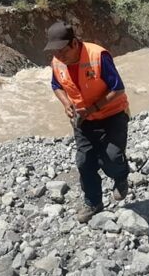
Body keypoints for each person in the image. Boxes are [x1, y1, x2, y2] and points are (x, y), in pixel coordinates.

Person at [45, 21, 130, 223]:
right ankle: (93, 202)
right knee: (85, 161)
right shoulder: (57, 62)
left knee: (111, 157)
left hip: (113, 114)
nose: (59, 56)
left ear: (74, 43)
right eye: (55, 52)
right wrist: (66, 103)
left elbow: (118, 88)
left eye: (62, 51)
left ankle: (121, 176)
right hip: (83, 119)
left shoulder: (98, 56)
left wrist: (93, 108)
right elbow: (56, 85)